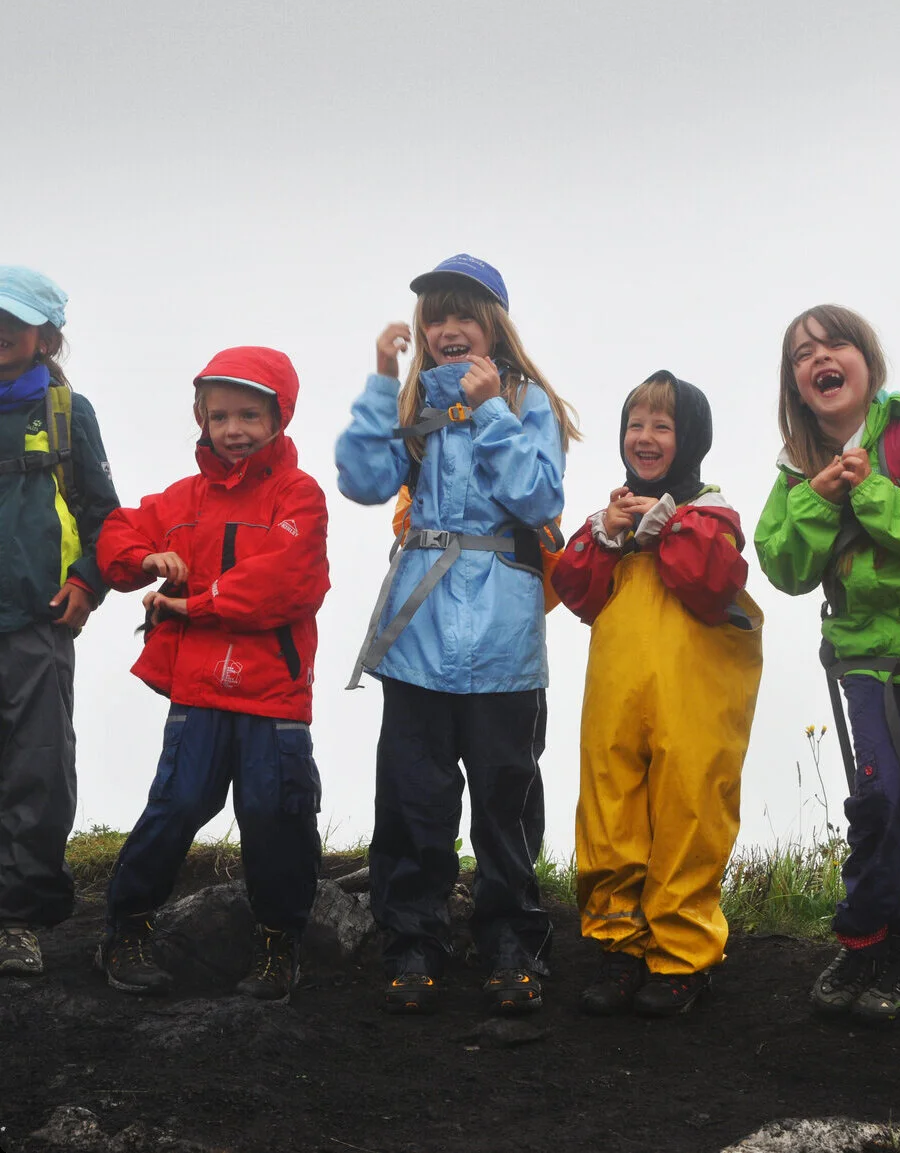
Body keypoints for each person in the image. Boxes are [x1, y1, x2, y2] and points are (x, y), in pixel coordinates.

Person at [336, 254, 578, 1017]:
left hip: (505, 637)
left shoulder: (528, 399)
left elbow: (538, 495)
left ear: (494, 325)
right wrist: (381, 380)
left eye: (462, 315)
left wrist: (494, 412)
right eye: (434, 316)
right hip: (417, 634)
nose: (447, 329)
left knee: (506, 797)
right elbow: (362, 480)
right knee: (415, 796)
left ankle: (512, 940)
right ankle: (412, 938)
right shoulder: (411, 403)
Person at [755, 305, 900, 1023]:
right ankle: (864, 939)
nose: (819, 356)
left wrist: (871, 490)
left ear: (865, 360)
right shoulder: (796, 470)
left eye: (834, 342)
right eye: (801, 353)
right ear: (796, 383)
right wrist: (819, 497)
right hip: (864, 663)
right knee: (879, 801)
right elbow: (783, 566)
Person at [95, 347, 329, 1003]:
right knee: (176, 804)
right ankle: (126, 928)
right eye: (218, 413)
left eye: (249, 414)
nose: (232, 428)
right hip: (199, 692)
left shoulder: (299, 494)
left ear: (279, 416)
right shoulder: (182, 498)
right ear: (200, 416)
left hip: (274, 696)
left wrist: (193, 600)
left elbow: (286, 584)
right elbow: (115, 537)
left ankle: (280, 942)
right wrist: (147, 554)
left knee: (274, 812)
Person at [552, 370, 763, 1018]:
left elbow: (708, 583)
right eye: (634, 424)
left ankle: (681, 957)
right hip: (617, 700)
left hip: (693, 703)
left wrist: (665, 525)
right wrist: (608, 532)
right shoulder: (608, 520)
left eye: (661, 426)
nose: (644, 437)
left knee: (689, 811)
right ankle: (619, 947)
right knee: (609, 811)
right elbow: (573, 590)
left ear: (690, 437)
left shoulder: (713, 516)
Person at [0, 268, 119, 977]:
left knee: (38, 769)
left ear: (47, 334)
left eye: (14, 321)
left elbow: (105, 516)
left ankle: (19, 920)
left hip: (38, 623)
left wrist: (88, 584)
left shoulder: (72, 412)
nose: (2, 334)